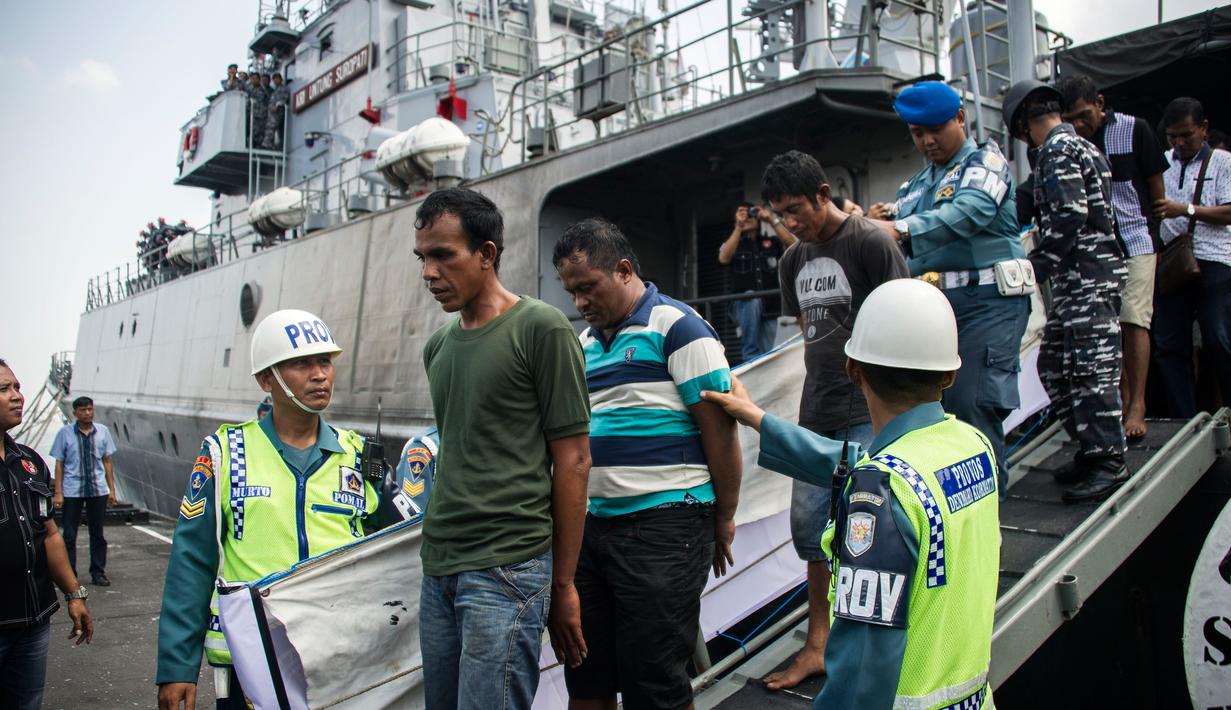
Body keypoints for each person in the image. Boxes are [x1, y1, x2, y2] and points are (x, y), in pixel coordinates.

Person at [700, 278, 1000, 709]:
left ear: (852, 369)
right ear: (950, 373)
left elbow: (862, 671)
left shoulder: (878, 494)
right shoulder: (973, 446)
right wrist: (758, 419)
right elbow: (864, 462)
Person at [414, 187, 591, 709]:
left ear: (486, 254)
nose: (428, 272)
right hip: (439, 568)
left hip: (507, 567)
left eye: (443, 255)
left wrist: (562, 586)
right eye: (423, 257)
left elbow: (574, 460)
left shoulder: (541, 329)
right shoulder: (438, 346)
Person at [553, 218, 741, 708]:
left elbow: (720, 432)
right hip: (596, 529)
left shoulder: (679, 328)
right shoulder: (585, 346)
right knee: (585, 672)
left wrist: (723, 516)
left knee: (652, 681)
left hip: (666, 527)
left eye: (588, 288)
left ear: (623, 270)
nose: (580, 303)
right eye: (571, 292)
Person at [156, 309, 383, 710]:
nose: (320, 375)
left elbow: (393, 553)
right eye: (301, 364)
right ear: (266, 380)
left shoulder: (359, 456)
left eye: (325, 362)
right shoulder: (224, 455)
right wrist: (177, 667)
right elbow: (191, 562)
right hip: (252, 667)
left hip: (343, 661)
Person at [758, 150, 909, 690]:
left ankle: (876, 648)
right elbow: (808, 334)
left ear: (824, 193)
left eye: (796, 209)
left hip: (872, 411)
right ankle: (818, 645)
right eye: (780, 214)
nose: (790, 223)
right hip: (817, 410)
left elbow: (902, 316)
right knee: (810, 531)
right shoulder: (791, 261)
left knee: (873, 533)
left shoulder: (870, 242)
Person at [867, 80, 1030, 491]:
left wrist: (899, 228)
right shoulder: (915, 186)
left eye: (935, 129)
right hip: (940, 312)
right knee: (936, 416)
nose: (927, 141)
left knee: (975, 408)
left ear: (960, 118)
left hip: (988, 304)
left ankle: (988, 529)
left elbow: (968, 213)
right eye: (917, 133)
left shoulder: (986, 163)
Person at [1005, 79, 1128, 503]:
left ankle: (1109, 461)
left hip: (1088, 278)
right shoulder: (1081, 146)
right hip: (1080, 280)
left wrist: (1035, 266)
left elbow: (1072, 215)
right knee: (1055, 363)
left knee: (1092, 370)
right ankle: (1091, 450)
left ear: (1023, 127)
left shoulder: (1058, 150)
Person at [1057, 74, 1169, 441]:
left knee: (1134, 320)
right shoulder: (1067, 146)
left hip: (1135, 240)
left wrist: (1151, 234)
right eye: (1069, 118)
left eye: (1083, 115)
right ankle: (1120, 400)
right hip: (1094, 251)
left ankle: (1137, 403)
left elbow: (1157, 193)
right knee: (1108, 326)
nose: (1077, 125)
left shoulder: (1135, 130)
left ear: (1100, 104)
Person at [0, 359, 94, 710]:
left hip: (33, 622)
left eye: (18, 388)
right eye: (4, 390)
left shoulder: (29, 462)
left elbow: (50, 534)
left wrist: (75, 594)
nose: (17, 397)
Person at [1151, 97, 1231, 417]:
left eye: (1186, 134)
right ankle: (1184, 420)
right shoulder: (1161, 161)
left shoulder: (1224, 162)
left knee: (1219, 337)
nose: (1180, 143)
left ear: (1204, 129)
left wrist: (1184, 209)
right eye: (1173, 136)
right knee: (1169, 346)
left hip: (1215, 260)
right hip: (1172, 263)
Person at [49, 396, 117, 587]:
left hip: (97, 489)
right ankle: (69, 574)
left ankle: (98, 572)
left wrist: (112, 490)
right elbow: (59, 463)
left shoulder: (102, 432)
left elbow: (107, 461)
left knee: (97, 534)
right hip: (72, 490)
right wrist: (58, 492)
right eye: (83, 410)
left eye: (90, 409)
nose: (87, 413)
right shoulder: (65, 434)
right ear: (75, 412)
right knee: (69, 534)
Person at [717, 203, 795, 361]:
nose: (748, 218)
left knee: (766, 356)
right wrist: (738, 226)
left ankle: (759, 369)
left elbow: (793, 245)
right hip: (743, 306)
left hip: (770, 307)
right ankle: (749, 354)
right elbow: (723, 258)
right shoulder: (734, 243)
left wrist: (771, 219)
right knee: (751, 297)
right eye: (743, 214)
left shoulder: (771, 242)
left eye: (751, 214)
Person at [263, 73, 289, 150]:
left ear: (281, 80)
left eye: (277, 79)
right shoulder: (275, 90)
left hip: (278, 112)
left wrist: (276, 106)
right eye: (274, 79)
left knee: (272, 126)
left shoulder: (283, 89)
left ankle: (267, 143)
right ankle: (269, 144)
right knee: (271, 128)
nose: (276, 81)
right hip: (272, 113)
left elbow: (283, 99)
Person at [244, 73, 267, 148]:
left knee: (257, 132)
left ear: (259, 80)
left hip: (259, 115)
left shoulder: (262, 91)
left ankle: (256, 145)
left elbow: (260, 101)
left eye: (255, 79)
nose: (254, 80)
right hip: (250, 113)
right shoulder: (249, 89)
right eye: (252, 79)